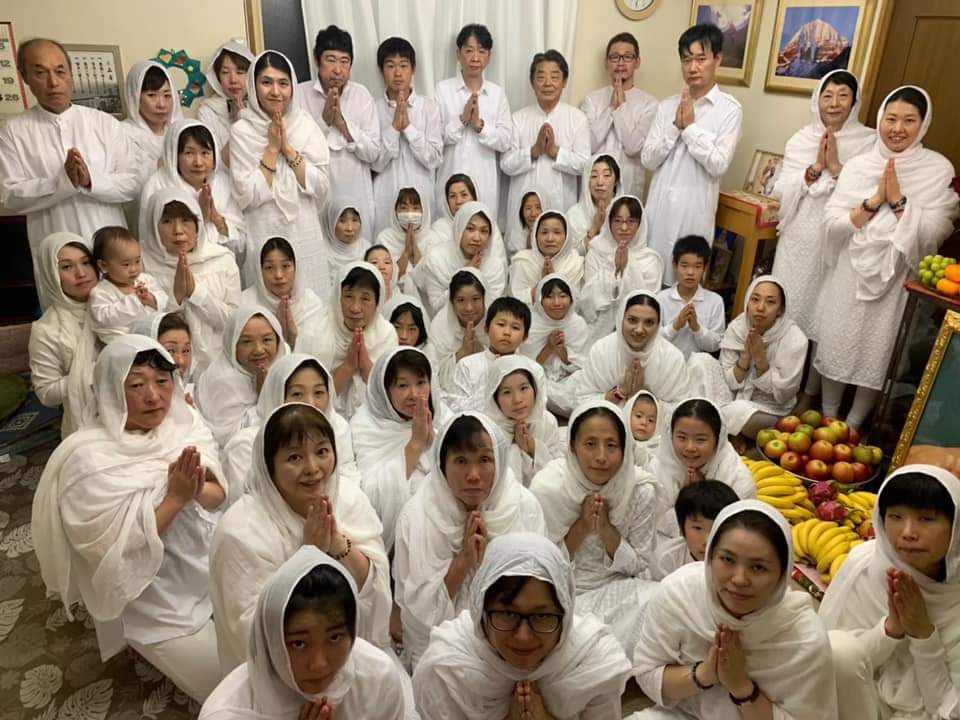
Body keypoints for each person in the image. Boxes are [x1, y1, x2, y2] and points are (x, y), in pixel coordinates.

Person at [32, 335, 228, 701]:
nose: (153, 396)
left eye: (162, 382)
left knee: (276, 657)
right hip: (156, 608)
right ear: (109, 390)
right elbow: (108, 556)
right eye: (136, 385)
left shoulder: (185, 425)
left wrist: (197, 489)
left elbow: (218, 499)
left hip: (212, 573)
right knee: (229, 689)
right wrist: (175, 499)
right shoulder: (87, 461)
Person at [209, 402, 391, 674]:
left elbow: (375, 592)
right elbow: (251, 632)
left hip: (355, 648)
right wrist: (308, 555)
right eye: (294, 457)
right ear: (269, 467)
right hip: (285, 672)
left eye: (322, 452)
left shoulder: (349, 499)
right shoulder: (240, 530)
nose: (313, 468)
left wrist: (339, 545)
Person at [816, 86, 958, 430]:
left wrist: (899, 202)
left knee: (876, 349)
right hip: (851, 266)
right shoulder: (861, 165)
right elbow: (832, 223)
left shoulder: (936, 169)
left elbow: (937, 229)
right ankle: (827, 416)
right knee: (837, 338)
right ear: (880, 119)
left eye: (909, 120)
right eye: (891, 118)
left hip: (896, 275)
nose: (898, 128)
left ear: (923, 125)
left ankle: (852, 425)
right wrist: (873, 201)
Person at [632, 500, 839, 719]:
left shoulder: (803, 638)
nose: (739, 579)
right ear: (710, 557)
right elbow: (647, 673)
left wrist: (741, 686)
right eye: (727, 559)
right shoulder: (680, 594)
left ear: (783, 575)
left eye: (758, 567)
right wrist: (706, 673)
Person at [413, 532, 632, 719]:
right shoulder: (449, 669)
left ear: (564, 614)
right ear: (481, 611)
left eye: (542, 617)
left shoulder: (593, 664)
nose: (523, 636)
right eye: (508, 614)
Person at [393, 412, 546, 669]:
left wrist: (491, 562)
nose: (473, 474)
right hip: (441, 643)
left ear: (500, 462)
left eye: (485, 460)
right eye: (461, 461)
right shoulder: (418, 516)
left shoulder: (522, 506)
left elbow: (538, 589)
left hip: (512, 634)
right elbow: (419, 620)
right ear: (442, 465)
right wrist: (463, 561)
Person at [200, 546, 408, 720]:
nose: (319, 664)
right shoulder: (228, 712)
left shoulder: (377, 678)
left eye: (334, 638)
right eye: (298, 643)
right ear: (271, 642)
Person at [820, 464, 960, 720]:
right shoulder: (865, 566)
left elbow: (948, 709)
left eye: (926, 519)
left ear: (956, 527)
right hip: (858, 707)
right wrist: (889, 630)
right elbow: (833, 665)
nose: (907, 533)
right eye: (895, 517)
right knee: (838, 649)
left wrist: (923, 635)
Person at [0, 38, 139, 292]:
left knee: (119, 317)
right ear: (24, 77)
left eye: (60, 71)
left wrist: (89, 181)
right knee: (65, 326)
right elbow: (10, 195)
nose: (53, 82)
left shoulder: (104, 124)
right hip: (53, 243)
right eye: (41, 73)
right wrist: (61, 181)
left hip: (109, 249)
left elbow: (131, 183)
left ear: (70, 73)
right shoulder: (13, 132)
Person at [772, 70, 875, 407]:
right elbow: (782, 189)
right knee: (792, 307)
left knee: (824, 315)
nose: (834, 103)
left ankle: (810, 392)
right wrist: (816, 167)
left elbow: (871, 195)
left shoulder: (869, 142)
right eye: (827, 95)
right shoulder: (801, 139)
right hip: (800, 236)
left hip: (840, 240)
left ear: (855, 101)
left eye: (843, 95)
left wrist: (835, 166)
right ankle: (778, 380)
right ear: (817, 99)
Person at [531, 400, 658, 651]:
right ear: (573, 447)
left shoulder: (639, 490)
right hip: (560, 593)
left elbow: (639, 566)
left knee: (659, 599)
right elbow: (539, 566)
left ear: (625, 450)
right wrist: (581, 526)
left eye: (611, 446)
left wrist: (606, 530)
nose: (601, 457)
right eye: (590, 444)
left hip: (618, 591)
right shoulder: (549, 487)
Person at [641, 24, 743, 283]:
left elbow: (718, 164)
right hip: (659, 213)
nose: (693, 67)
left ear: (717, 59)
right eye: (687, 60)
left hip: (693, 214)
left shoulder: (729, 110)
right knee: (650, 282)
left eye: (701, 59)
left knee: (685, 290)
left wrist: (690, 130)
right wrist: (675, 128)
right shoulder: (666, 107)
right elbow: (648, 159)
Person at [230, 50, 332, 298]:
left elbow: (321, 188)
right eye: (266, 82)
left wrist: (288, 148)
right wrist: (272, 149)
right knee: (268, 313)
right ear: (254, 87)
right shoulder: (242, 132)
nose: (276, 92)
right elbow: (248, 195)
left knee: (311, 306)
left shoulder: (305, 124)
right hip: (263, 230)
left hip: (305, 230)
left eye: (283, 83)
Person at [350, 347, 448, 551]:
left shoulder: (440, 417)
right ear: (385, 390)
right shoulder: (365, 426)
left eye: (421, 383)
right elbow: (370, 496)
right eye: (403, 386)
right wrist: (415, 445)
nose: (414, 394)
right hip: (395, 543)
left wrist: (433, 442)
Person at [689, 276, 808, 439]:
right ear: (747, 302)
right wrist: (745, 357)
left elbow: (784, 395)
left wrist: (760, 360)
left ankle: (709, 424)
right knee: (700, 360)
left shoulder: (795, 339)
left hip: (766, 408)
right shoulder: (738, 327)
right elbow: (728, 381)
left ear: (781, 309)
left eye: (770, 302)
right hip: (733, 397)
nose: (760, 307)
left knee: (738, 410)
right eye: (755, 299)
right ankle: (721, 428)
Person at [221, 353, 355, 497]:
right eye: (297, 394)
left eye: (319, 392)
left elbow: (350, 481)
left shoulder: (338, 428)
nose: (310, 403)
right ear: (276, 395)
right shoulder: (244, 447)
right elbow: (243, 503)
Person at [140, 187, 241, 374]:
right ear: (154, 225)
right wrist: (174, 299)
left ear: (198, 224)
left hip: (219, 366)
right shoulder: (141, 263)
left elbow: (234, 323)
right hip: (165, 369)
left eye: (186, 220)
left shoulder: (222, 259)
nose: (178, 231)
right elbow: (141, 328)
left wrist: (196, 293)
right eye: (167, 221)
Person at [298, 25, 380, 229]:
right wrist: (324, 122)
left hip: (356, 194)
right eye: (331, 60)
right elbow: (294, 150)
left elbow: (373, 153)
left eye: (345, 62)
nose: (338, 69)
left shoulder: (361, 96)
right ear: (317, 60)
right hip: (316, 196)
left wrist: (343, 125)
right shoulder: (299, 95)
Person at [139, 119, 247, 272]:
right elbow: (151, 243)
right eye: (189, 153)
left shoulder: (223, 183)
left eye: (205, 153)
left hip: (219, 272)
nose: (198, 162)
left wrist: (215, 218)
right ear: (174, 155)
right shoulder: (157, 185)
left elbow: (241, 246)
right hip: (170, 273)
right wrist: (199, 216)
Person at [296, 261, 398, 419]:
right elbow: (304, 400)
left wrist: (365, 367)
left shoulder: (385, 334)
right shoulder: (313, 332)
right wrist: (348, 367)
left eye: (365, 299)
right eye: (349, 296)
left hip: (374, 421)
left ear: (378, 302)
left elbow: (390, 396)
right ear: (337, 296)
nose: (355, 308)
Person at [435, 24, 512, 222]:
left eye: (481, 51)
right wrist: (462, 121)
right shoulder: (442, 91)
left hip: (484, 183)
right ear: (458, 54)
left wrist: (479, 126)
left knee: (481, 237)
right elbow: (435, 139)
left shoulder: (497, 94)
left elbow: (505, 141)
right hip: (449, 181)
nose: (475, 57)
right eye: (469, 50)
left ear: (489, 56)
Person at [501, 50, 590, 219]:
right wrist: (533, 152)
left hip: (562, 205)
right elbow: (506, 164)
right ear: (532, 82)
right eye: (541, 77)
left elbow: (585, 166)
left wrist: (556, 152)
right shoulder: (517, 118)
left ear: (564, 82)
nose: (548, 83)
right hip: (523, 207)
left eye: (555, 77)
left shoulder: (577, 118)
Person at [651, 398, 756, 539]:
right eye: (681, 438)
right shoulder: (658, 468)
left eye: (700, 440)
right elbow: (653, 524)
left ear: (718, 440)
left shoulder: (737, 479)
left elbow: (734, 531)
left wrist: (698, 495)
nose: (690, 447)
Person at [28, 232, 99, 436]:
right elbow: (46, 393)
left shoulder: (122, 303)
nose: (81, 273)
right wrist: (98, 373)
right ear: (51, 274)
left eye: (86, 262)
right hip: (87, 425)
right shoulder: (46, 329)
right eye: (67, 267)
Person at [372, 37, 443, 237]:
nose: (397, 73)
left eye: (403, 65)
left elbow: (434, 158)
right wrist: (394, 128)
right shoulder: (373, 109)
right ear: (381, 70)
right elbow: (375, 163)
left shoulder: (429, 107)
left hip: (422, 197)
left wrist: (409, 129)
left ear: (413, 69)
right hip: (385, 198)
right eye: (390, 66)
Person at [575, 290, 688, 407]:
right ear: (621, 319)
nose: (639, 330)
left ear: (658, 325)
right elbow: (582, 400)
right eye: (632, 320)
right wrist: (620, 392)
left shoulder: (672, 358)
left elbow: (679, 410)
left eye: (649, 322)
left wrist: (644, 397)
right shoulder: (601, 350)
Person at [194, 306, 287, 446]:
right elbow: (228, 439)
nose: (259, 350)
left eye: (267, 340)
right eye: (247, 342)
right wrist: (265, 398)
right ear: (232, 344)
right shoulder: (222, 379)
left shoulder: (281, 366)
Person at [581, 33, 658, 200]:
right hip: (595, 188)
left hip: (628, 186)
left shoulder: (650, 104)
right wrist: (610, 109)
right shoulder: (591, 100)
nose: (621, 63)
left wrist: (620, 109)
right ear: (606, 62)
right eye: (615, 57)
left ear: (637, 62)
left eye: (627, 57)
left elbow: (633, 147)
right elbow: (587, 145)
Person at [580, 195, 664, 344]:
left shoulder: (650, 259)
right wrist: (614, 272)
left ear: (640, 224)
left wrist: (628, 269)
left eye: (631, 221)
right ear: (609, 222)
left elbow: (649, 305)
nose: (624, 228)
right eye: (618, 221)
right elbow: (588, 302)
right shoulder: (596, 252)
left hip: (638, 333)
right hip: (598, 332)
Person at [415, 200, 507, 316]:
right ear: (459, 228)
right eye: (470, 229)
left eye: (484, 231)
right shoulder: (437, 259)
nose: (477, 238)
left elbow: (492, 309)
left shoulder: (494, 265)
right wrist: (464, 275)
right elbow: (437, 306)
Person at [483, 355, 562, 487]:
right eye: (507, 392)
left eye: (524, 388)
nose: (517, 399)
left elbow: (558, 471)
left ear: (535, 390)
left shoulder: (547, 422)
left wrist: (532, 448)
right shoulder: (488, 431)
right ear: (495, 398)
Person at [447, 296, 533, 413]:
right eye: (501, 324)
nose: (507, 332)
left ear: (525, 337)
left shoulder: (531, 368)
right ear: (486, 328)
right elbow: (454, 406)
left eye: (515, 327)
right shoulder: (467, 365)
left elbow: (537, 407)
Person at [521, 274, 589, 417]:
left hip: (568, 377)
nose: (557, 302)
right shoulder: (530, 325)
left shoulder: (578, 324)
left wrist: (562, 352)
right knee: (541, 389)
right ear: (540, 300)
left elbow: (583, 363)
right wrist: (549, 348)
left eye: (562, 295)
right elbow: (526, 369)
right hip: (541, 378)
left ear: (571, 299)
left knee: (587, 379)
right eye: (550, 297)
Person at [240, 236, 327, 350]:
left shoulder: (311, 303)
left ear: (296, 267)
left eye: (286, 266)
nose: (279, 275)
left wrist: (294, 337)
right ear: (259, 271)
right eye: (269, 267)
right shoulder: (245, 303)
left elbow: (321, 352)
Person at [88, 225, 167, 343]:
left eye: (137, 261)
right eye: (126, 264)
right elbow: (103, 318)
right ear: (103, 266)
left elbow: (164, 298)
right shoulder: (100, 292)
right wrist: (135, 301)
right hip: (123, 342)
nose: (134, 269)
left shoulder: (145, 280)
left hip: (154, 336)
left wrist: (151, 299)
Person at [652, 479, 739, 581]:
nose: (707, 541)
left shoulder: (742, 561)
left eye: (716, 528)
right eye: (697, 528)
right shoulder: (665, 559)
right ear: (681, 527)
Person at [656, 235, 725, 359]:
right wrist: (675, 326)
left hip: (698, 369)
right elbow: (652, 339)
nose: (690, 272)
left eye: (697, 266)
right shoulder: (661, 298)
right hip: (665, 364)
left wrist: (697, 328)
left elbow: (717, 344)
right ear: (674, 265)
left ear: (705, 268)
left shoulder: (715, 301)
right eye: (684, 265)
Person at [429, 268, 489, 394]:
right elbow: (434, 377)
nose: (469, 308)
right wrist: (464, 352)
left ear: (485, 298)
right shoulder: (440, 328)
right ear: (451, 302)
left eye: (475, 299)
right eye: (461, 300)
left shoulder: (497, 322)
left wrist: (481, 351)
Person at [122, 61, 183, 182]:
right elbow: (126, 182)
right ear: (135, 97)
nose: (161, 104)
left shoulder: (183, 131)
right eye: (152, 95)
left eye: (167, 95)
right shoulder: (122, 134)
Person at [375, 186, 440, 297]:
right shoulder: (385, 238)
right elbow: (386, 279)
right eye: (404, 208)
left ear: (424, 210)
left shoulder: (433, 239)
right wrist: (406, 253)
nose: (410, 214)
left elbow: (432, 281)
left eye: (415, 208)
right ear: (395, 211)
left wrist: (415, 250)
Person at [509, 210, 584, 303]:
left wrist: (554, 279)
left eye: (557, 232)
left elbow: (577, 303)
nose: (550, 239)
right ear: (535, 236)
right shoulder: (522, 261)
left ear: (567, 236)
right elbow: (514, 301)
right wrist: (542, 284)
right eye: (544, 232)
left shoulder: (574, 262)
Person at [197, 39, 255, 159]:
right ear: (217, 76)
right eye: (225, 72)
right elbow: (210, 158)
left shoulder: (262, 105)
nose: (233, 80)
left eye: (240, 72)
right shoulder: (207, 110)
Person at [566, 153, 622, 255]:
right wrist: (595, 227)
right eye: (594, 176)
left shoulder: (625, 211)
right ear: (587, 180)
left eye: (606, 175)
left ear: (616, 181)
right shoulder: (574, 214)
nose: (600, 182)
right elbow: (570, 256)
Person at [132, 311, 196, 397]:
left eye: (186, 351)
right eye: (170, 351)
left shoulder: (187, 399)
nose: (181, 361)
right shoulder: (133, 405)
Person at [323, 201, 371, 298]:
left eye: (355, 220)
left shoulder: (366, 248)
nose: (349, 228)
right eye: (342, 221)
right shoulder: (322, 251)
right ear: (331, 222)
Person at [504, 184, 557, 258]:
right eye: (528, 208)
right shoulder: (515, 236)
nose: (533, 213)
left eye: (538, 207)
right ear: (521, 211)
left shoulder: (556, 235)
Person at [382, 292, 433, 358]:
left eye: (412, 329)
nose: (404, 336)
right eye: (397, 327)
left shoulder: (430, 359)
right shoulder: (375, 352)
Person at [625, 389, 663, 470]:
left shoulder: (660, 448)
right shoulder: (621, 442)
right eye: (638, 416)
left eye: (651, 420)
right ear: (627, 414)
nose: (644, 423)